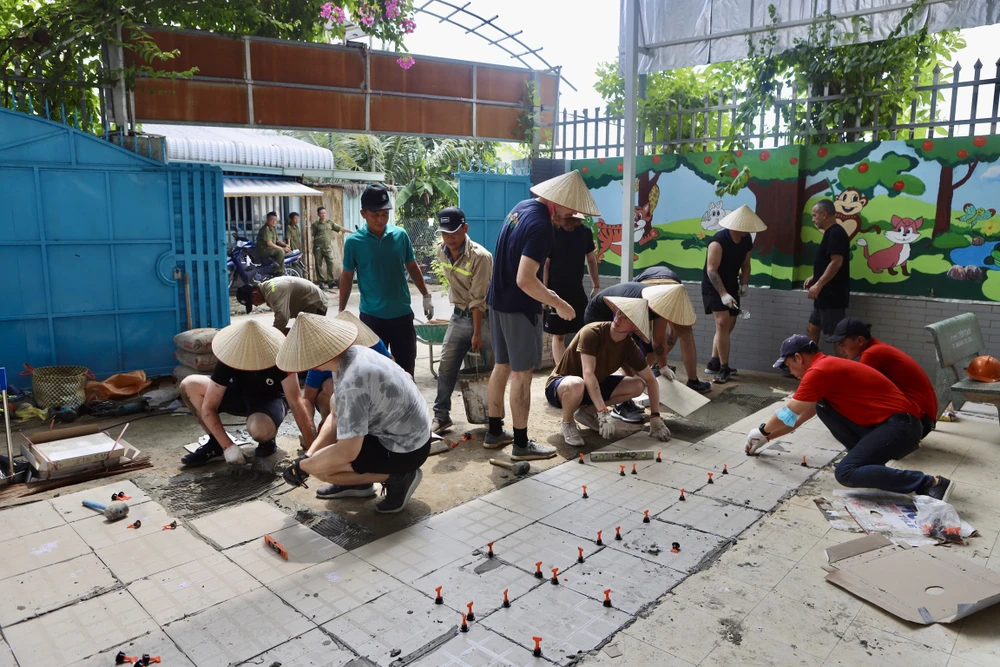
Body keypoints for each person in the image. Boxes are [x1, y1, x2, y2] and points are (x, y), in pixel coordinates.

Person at [745, 334, 954, 500]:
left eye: (788, 365)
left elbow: (788, 412)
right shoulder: (826, 368)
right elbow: (796, 420)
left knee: (845, 472)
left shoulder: (820, 370)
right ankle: (868, 465)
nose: (789, 371)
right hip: (895, 426)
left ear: (798, 357)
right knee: (822, 407)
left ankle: (930, 483)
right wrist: (767, 439)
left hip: (901, 427)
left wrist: (762, 430)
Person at [484, 170, 599, 461]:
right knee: (522, 375)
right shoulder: (542, 226)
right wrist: (557, 302)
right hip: (518, 306)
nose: (571, 214)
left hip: (497, 300)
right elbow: (526, 279)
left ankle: (494, 431)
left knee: (502, 366)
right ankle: (521, 444)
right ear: (556, 200)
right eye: (569, 207)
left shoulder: (520, 208)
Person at [279, 314, 431, 514]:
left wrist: (305, 467)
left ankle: (399, 477)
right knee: (321, 450)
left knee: (325, 470)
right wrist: (308, 455)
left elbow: (346, 452)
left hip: (408, 449)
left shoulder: (353, 382)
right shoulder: (352, 354)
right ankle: (359, 484)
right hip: (407, 433)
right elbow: (335, 415)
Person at [179, 320, 315, 467]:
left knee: (260, 430)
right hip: (238, 395)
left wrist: (310, 448)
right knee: (189, 385)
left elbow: (296, 402)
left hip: (269, 400)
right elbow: (209, 406)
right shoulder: (230, 357)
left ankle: (267, 441)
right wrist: (228, 446)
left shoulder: (281, 358)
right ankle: (215, 443)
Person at [546, 296, 672, 446]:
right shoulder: (592, 332)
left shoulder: (629, 347)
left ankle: (587, 412)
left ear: (635, 327)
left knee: (638, 385)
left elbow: (651, 380)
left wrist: (655, 417)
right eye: (618, 312)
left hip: (591, 388)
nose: (618, 318)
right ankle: (567, 423)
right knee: (577, 383)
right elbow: (588, 373)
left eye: (625, 317)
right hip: (561, 387)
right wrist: (603, 411)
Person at [340, 185, 433, 378]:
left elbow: (413, 267)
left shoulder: (400, 235)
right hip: (372, 319)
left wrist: (426, 295)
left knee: (406, 373)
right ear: (363, 213)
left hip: (402, 316)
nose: (381, 219)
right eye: (376, 215)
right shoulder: (354, 243)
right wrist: (341, 310)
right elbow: (347, 276)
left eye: (385, 214)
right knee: (375, 375)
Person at [586, 269, 711, 411]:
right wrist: (636, 374)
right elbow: (626, 348)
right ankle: (617, 405)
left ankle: (622, 398)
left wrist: (663, 366)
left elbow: (658, 339)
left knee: (638, 367)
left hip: (619, 317)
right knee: (614, 362)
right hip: (598, 316)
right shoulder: (639, 303)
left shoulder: (661, 304)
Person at [431, 207, 494, 434]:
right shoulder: (441, 251)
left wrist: (476, 333)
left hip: (484, 320)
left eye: (454, 233)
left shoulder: (481, 257)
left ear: (465, 229)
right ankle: (441, 416)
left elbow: (479, 300)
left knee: (488, 371)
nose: (449, 238)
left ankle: (493, 421)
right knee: (446, 366)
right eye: (445, 234)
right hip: (458, 317)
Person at [826, 317, 938, 438]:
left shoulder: (871, 354)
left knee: (828, 401)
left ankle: (860, 445)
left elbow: (857, 393)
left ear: (859, 341)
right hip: (922, 420)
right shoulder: (878, 349)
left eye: (843, 344)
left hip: (916, 422)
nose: (841, 350)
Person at [702, 205, 766, 384]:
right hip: (713, 285)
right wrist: (722, 294)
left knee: (729, 324)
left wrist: (745, 284)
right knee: (722, 322)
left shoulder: (746, 241)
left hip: (732, 283)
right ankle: (724, 368)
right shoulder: (718, 242)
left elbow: (746, 264)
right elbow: (712, 271)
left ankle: (714, 361)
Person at [302, 311, 391, 434]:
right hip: (334, 399)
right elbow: (308, 397)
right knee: (330, 385)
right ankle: (330, 426)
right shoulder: (325, 355)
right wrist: (309, 426)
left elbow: (392, 369)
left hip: (369, 396)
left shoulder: (375, 345)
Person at [543, 212, 600, 365]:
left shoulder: (585, 232)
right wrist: (544, 292)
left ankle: (581, 367)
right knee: (558, 335)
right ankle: (561, 371)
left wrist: (596, 285)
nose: (568, 226)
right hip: (555, 291)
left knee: (583, 331)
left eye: (572, 223)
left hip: (577, 289)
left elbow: (591, 259)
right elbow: (546, 264)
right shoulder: (553, 231)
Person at [804, 199, 850, 344]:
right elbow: (828, 261)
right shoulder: (830, 233)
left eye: (814, 215)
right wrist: (815, 277)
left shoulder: (836, 233)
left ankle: (841, 366)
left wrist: (818, 284)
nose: (813, 219)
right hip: (823, 295)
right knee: (812, 328)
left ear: (824, 214)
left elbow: (836, 262)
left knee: (835, 336)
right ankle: (811, 363)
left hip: (832, 295)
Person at [235, 276, 327, 335]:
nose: (256, 305)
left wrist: (271, 336)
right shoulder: (268, 288)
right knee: (294, 334)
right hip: (309, 303)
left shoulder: (273, 291)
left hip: (316, 304)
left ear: (255, 294)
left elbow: (282, 317)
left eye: (253, 303)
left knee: (306, 339)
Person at [312, 206, 344, 289]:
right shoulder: (315, 224)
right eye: (321, 213)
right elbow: (313, 235)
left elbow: (339, 229)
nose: (323, 215)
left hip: (327, 247)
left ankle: (331, 282)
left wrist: (350, 231)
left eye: (324, 213)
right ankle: (321, 282)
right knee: (318, 265)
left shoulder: (330, 223)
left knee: (330, 263)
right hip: (318, 247)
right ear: (318, 214)